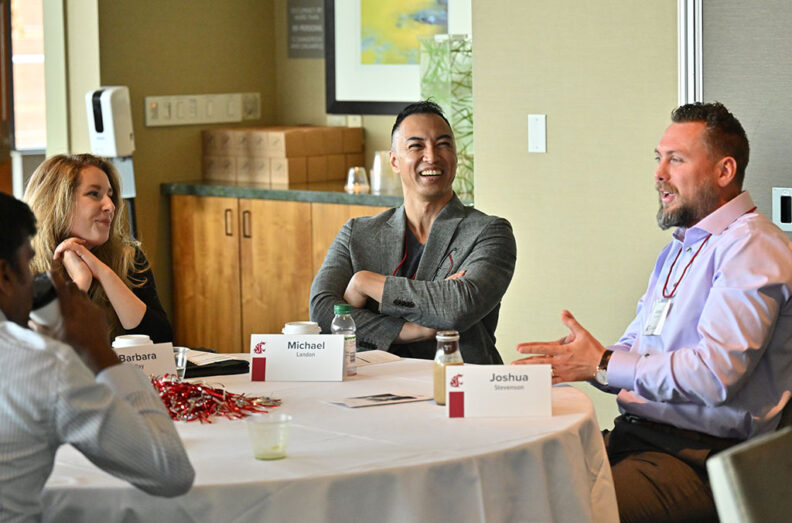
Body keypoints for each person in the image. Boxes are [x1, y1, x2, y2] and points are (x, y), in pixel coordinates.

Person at [514, 102, 792, 522]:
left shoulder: (753, 247)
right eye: (658, 158)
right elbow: (637, 345)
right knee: (516, 484)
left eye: (676, 159)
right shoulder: (679, 249)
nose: (659, 173)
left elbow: (714, 377)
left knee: (557, 513)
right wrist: (588, 364)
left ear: (724, 171)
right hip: (640, 439)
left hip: (700, 459)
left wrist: (605, 362)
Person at [0, 193, 194, 521]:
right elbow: (170, 471)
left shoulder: (129, 257)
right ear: (5, 275)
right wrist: (100, 353)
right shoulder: (43, 367)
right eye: (26, 266)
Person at [310, 101, 517, 363]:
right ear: (394, 160)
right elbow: (323, 313)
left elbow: (456, 308)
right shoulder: (357, 234)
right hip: (371, 382)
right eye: (416, 146)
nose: (431, 156)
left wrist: (364, 283)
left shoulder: (489, 232)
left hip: (458, 383)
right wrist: (411, 331)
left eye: (443, 144)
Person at [23, 153, 172, 343]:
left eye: (110, 196)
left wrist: (103, 273)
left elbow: (161, 341)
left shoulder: (128, 258)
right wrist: (80, 282)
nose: (110, 206)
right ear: (57, 201)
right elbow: (37, 352)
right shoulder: (17, 268)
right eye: (94, 194)